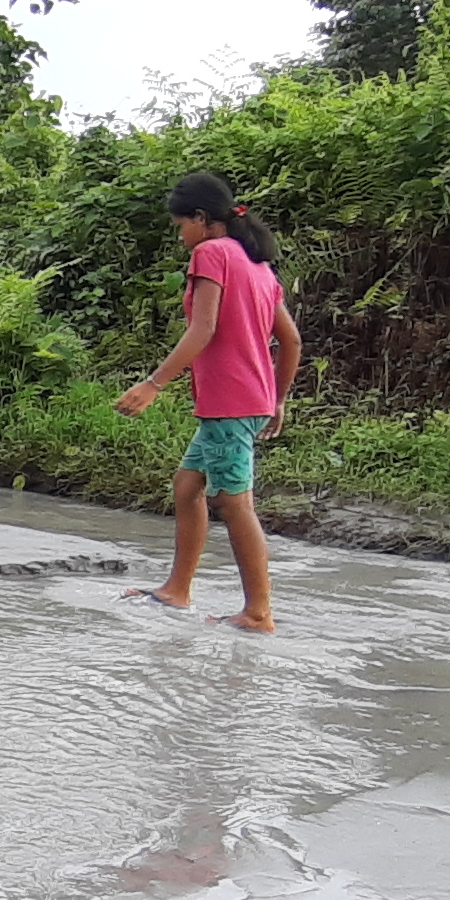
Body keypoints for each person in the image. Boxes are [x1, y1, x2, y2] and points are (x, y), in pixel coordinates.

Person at [116, 171, 299, 634]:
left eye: (181, 226)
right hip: (247, 399)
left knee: (232, 501)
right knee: (187, 486)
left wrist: (153, 384)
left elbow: (203, 329)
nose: (181, 237)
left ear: (200, 218)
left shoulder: (212, 253)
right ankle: (177, 589)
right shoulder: (258, 266)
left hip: (230, 401)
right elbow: (291, 340)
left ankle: (258, 612)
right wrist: (276, 400)